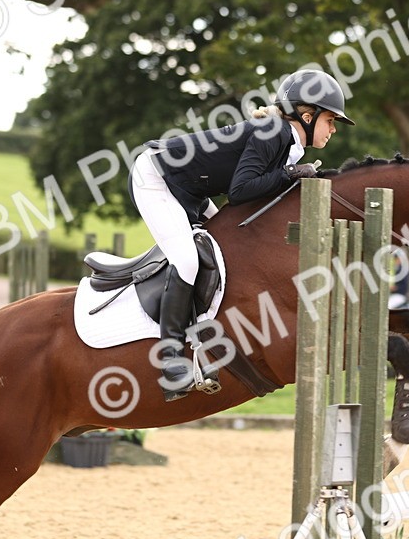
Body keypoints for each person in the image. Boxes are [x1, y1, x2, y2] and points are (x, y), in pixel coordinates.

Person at [129, 68, 355, 400]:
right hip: (156, 176)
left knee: (229, 247)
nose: (334, 129)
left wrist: (291, 173)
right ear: (308, 115)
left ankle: (203, 334)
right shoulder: (272, 133)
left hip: (190, 189)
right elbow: (241, 191)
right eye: (330, 121)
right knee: (188, 261)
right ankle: (171, 359)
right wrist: (292, 174)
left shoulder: (285, 140)